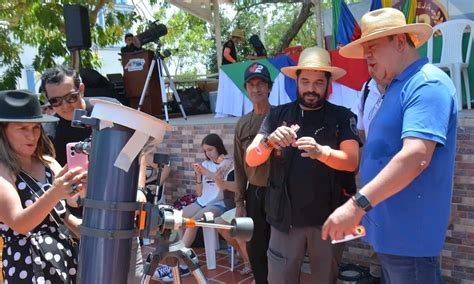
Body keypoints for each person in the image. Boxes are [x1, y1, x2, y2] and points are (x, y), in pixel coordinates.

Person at [322, 8, 457, 284]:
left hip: (410, 240)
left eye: (372, 47)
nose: (366, 57)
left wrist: (356, 205)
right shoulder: (395, 86)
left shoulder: (426, 84)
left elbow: (416, 155)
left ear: (399, 41)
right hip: (393, 236)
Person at [245, 46, 361, 283]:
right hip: (284, 220)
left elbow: (351, 162)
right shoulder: (278, 116)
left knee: (325, 278)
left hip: (329, 219)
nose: (311, 88)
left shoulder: (342, 116)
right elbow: (251, 157)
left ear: (328, 83)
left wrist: (322, 152)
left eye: (318, 82)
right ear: (296, 81)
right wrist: (268, 144)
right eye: (305, 81)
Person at [41, 65, 146, 283]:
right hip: (78, 221)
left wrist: (138, 189)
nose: (64, 106)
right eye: (55, 101)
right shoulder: (47, 131)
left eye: (70, 97)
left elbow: (137, 148)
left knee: (133, 277)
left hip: (119, 212)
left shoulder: (110, 110)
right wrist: (68, 217)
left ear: (81, 88)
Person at [0, 90, 87, 283]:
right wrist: (55, 193)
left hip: (66, 256)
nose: (31, 135)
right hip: (27, 264)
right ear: (3, 131)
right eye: (22, 129)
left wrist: (81, 186)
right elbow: (19, 223)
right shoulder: (2, 171)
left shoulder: (48, 162)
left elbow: (69, 205)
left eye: (35, 128)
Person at [154, 133, 234, 281]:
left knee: (193, 222)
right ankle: (185, 264)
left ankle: (176, 262)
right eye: (205, 151)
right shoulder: (204, 164)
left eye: (210, 149)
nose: (208, 154)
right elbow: (199, 193)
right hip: (202, 201)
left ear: (218, 147)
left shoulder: (227, 162)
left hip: (218, 203)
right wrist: (198, 176)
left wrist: (206, 173)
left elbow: (220, 180)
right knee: (177, 218)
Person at [234, 63, 273, 284]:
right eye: (252, 84)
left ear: (269, 88)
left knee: (280, 249)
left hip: (279, 193)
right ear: (246, 89)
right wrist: (240, 202)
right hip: (254, 194)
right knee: (256, 248)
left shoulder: (280, 117)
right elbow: (239, 166)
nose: (256, 89)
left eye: (261, 84)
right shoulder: (242, 124)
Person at [355, 70, 390, 142]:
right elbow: (360, 133)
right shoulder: (367, 86)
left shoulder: (406, 88)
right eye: (367, 59)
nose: (371, 65)